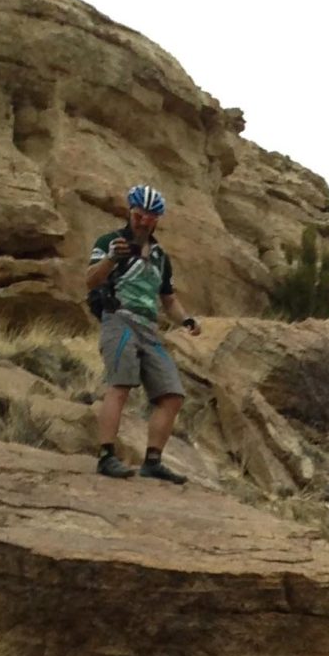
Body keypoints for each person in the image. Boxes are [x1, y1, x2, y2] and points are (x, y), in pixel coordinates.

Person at [86, 183, 200, 483]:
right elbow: (90, 279)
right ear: (130, 212)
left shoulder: (161, 255)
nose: (143, 221)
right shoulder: (111, 241)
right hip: (119, 319)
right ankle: (106, 456)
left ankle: (153, 461)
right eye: (139, 215)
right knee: (120, 385)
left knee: (172, 394)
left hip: (149, 327)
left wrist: (186, 320)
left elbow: (168, 298)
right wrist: (111, 259)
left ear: (157, 219)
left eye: (150, 216)